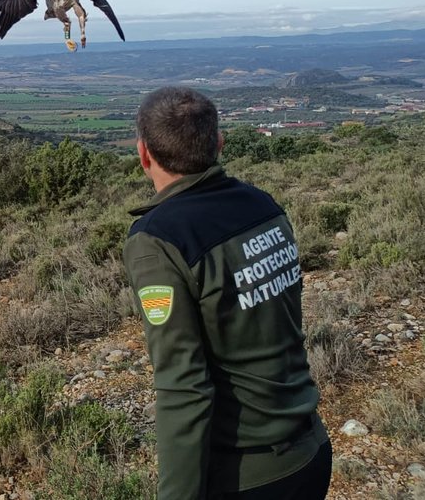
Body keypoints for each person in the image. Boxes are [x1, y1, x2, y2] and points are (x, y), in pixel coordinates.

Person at [124, 86, 331, 499]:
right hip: (312, 452)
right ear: (219, 143)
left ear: (143, 153)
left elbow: (183, 387)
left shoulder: (160, 239)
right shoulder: (263, 205)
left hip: (247, 476)